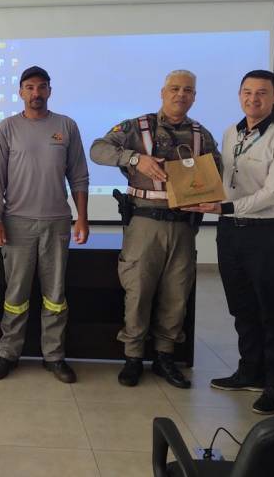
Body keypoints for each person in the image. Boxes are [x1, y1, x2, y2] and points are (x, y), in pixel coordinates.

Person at [90, 69, 220, 389]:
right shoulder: (137, 127)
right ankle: (133, 356)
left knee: (176, 295)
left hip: (183, 228)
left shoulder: (201, 135)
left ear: (194, 97)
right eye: (174, 88)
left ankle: (164, 357)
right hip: (145, 224)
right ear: (162, 92)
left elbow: (216, 170)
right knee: (138, 291)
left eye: (187, 90)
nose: (180, 95)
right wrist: (134, 159)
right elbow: (97, 149)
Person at [185, 70, 274, 414]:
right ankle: (250, 370)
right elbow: (224, 179)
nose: (254, 99)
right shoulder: (231, 132)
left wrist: (224, 206)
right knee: (242, 306)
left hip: (267, 233)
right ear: (239, 95)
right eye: (247, 92)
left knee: (273, 311)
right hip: (230, 233)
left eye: (262, 93)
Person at [0, 65, 89, 383]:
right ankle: (8, 353)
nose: (36, 93)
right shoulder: (7, 128)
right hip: (17, 223)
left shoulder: (66, 126)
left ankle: (54, 356)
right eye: (30, 87)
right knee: (15, 294)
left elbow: (79, 175)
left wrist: (81, 216)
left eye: (42, 87)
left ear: (50, 91)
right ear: (20, 92)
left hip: (57, 223)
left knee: (55, 295)